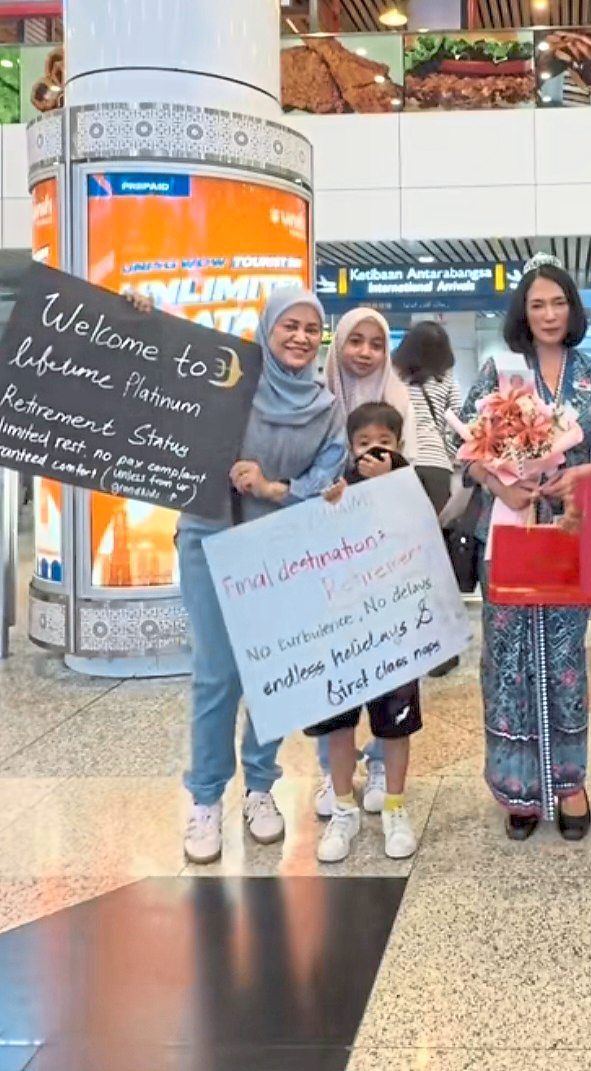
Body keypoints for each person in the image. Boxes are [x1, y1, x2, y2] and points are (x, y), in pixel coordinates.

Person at [453, 253, 591, 840]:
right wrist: (505, 483)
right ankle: (517, 785)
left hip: (572, 529)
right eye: (537, 304)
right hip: (506, 528)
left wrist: (580, 476)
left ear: (573, 309)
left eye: (558, 303)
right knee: (505, 658)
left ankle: (570, 781)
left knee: (565, 656)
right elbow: (471, 447)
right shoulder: (499, 371)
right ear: (521, 314)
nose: (549, 313)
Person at [178, 289, 347, 865]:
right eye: (289, 326)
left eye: (311, 329)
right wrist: (138, 321)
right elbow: (162, 396)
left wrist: (273, 486)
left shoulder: (326, 407)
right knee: (217, 674)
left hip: (280, 544)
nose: (301, 337)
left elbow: (327, 482)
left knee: (273, 674)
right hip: (210, 535)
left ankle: (259, 787)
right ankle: (204, 799)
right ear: (267, 329)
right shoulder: (228, 381)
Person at [314, 307, 418, 821]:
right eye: (354, 340)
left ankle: (382, 766)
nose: (364, 352)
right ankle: (332, 780)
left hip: (389, 580)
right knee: (334, 685)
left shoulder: (401, 402)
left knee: (389, 681)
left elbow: (417, 495)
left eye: (376, 343)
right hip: (336, 581)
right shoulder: (317, 404)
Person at [393, 320, 464, 678]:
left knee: (405, 562)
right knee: (437, 561)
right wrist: (454, 462)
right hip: (436, 470)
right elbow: (459, 427)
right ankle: (443, 651)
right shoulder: (447, 381)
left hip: (402, 469)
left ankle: (408, 644)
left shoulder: (395, 378)